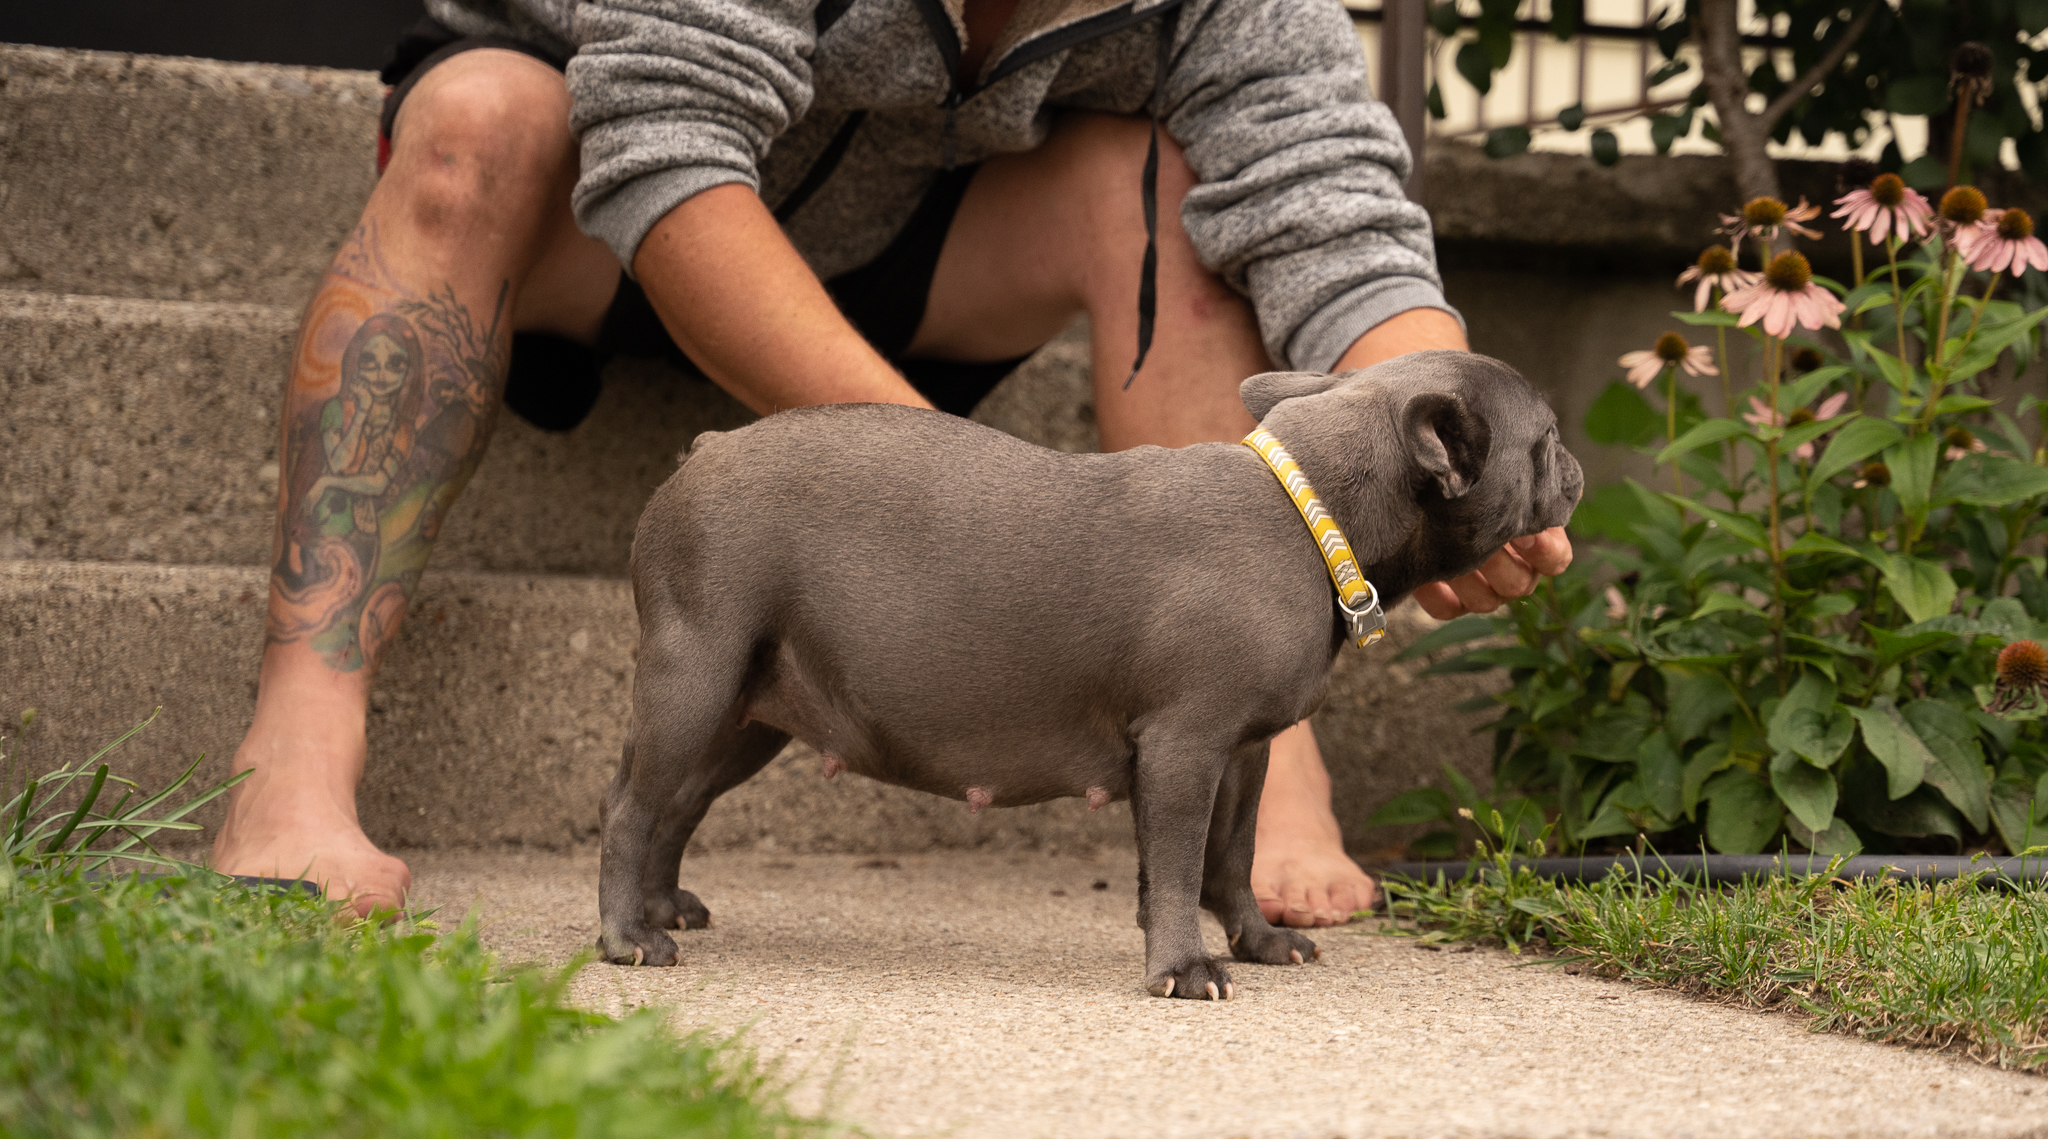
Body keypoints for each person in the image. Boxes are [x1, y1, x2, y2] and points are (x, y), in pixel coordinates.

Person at [210, 0, 1572, 920]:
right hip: (598, 209)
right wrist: (937, 495)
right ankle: (303, 727)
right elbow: (665, 136)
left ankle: (1264, 733)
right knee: (476, 123)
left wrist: (1425, 446)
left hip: (922, 250)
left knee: (1161, 183)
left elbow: (1328, 195)